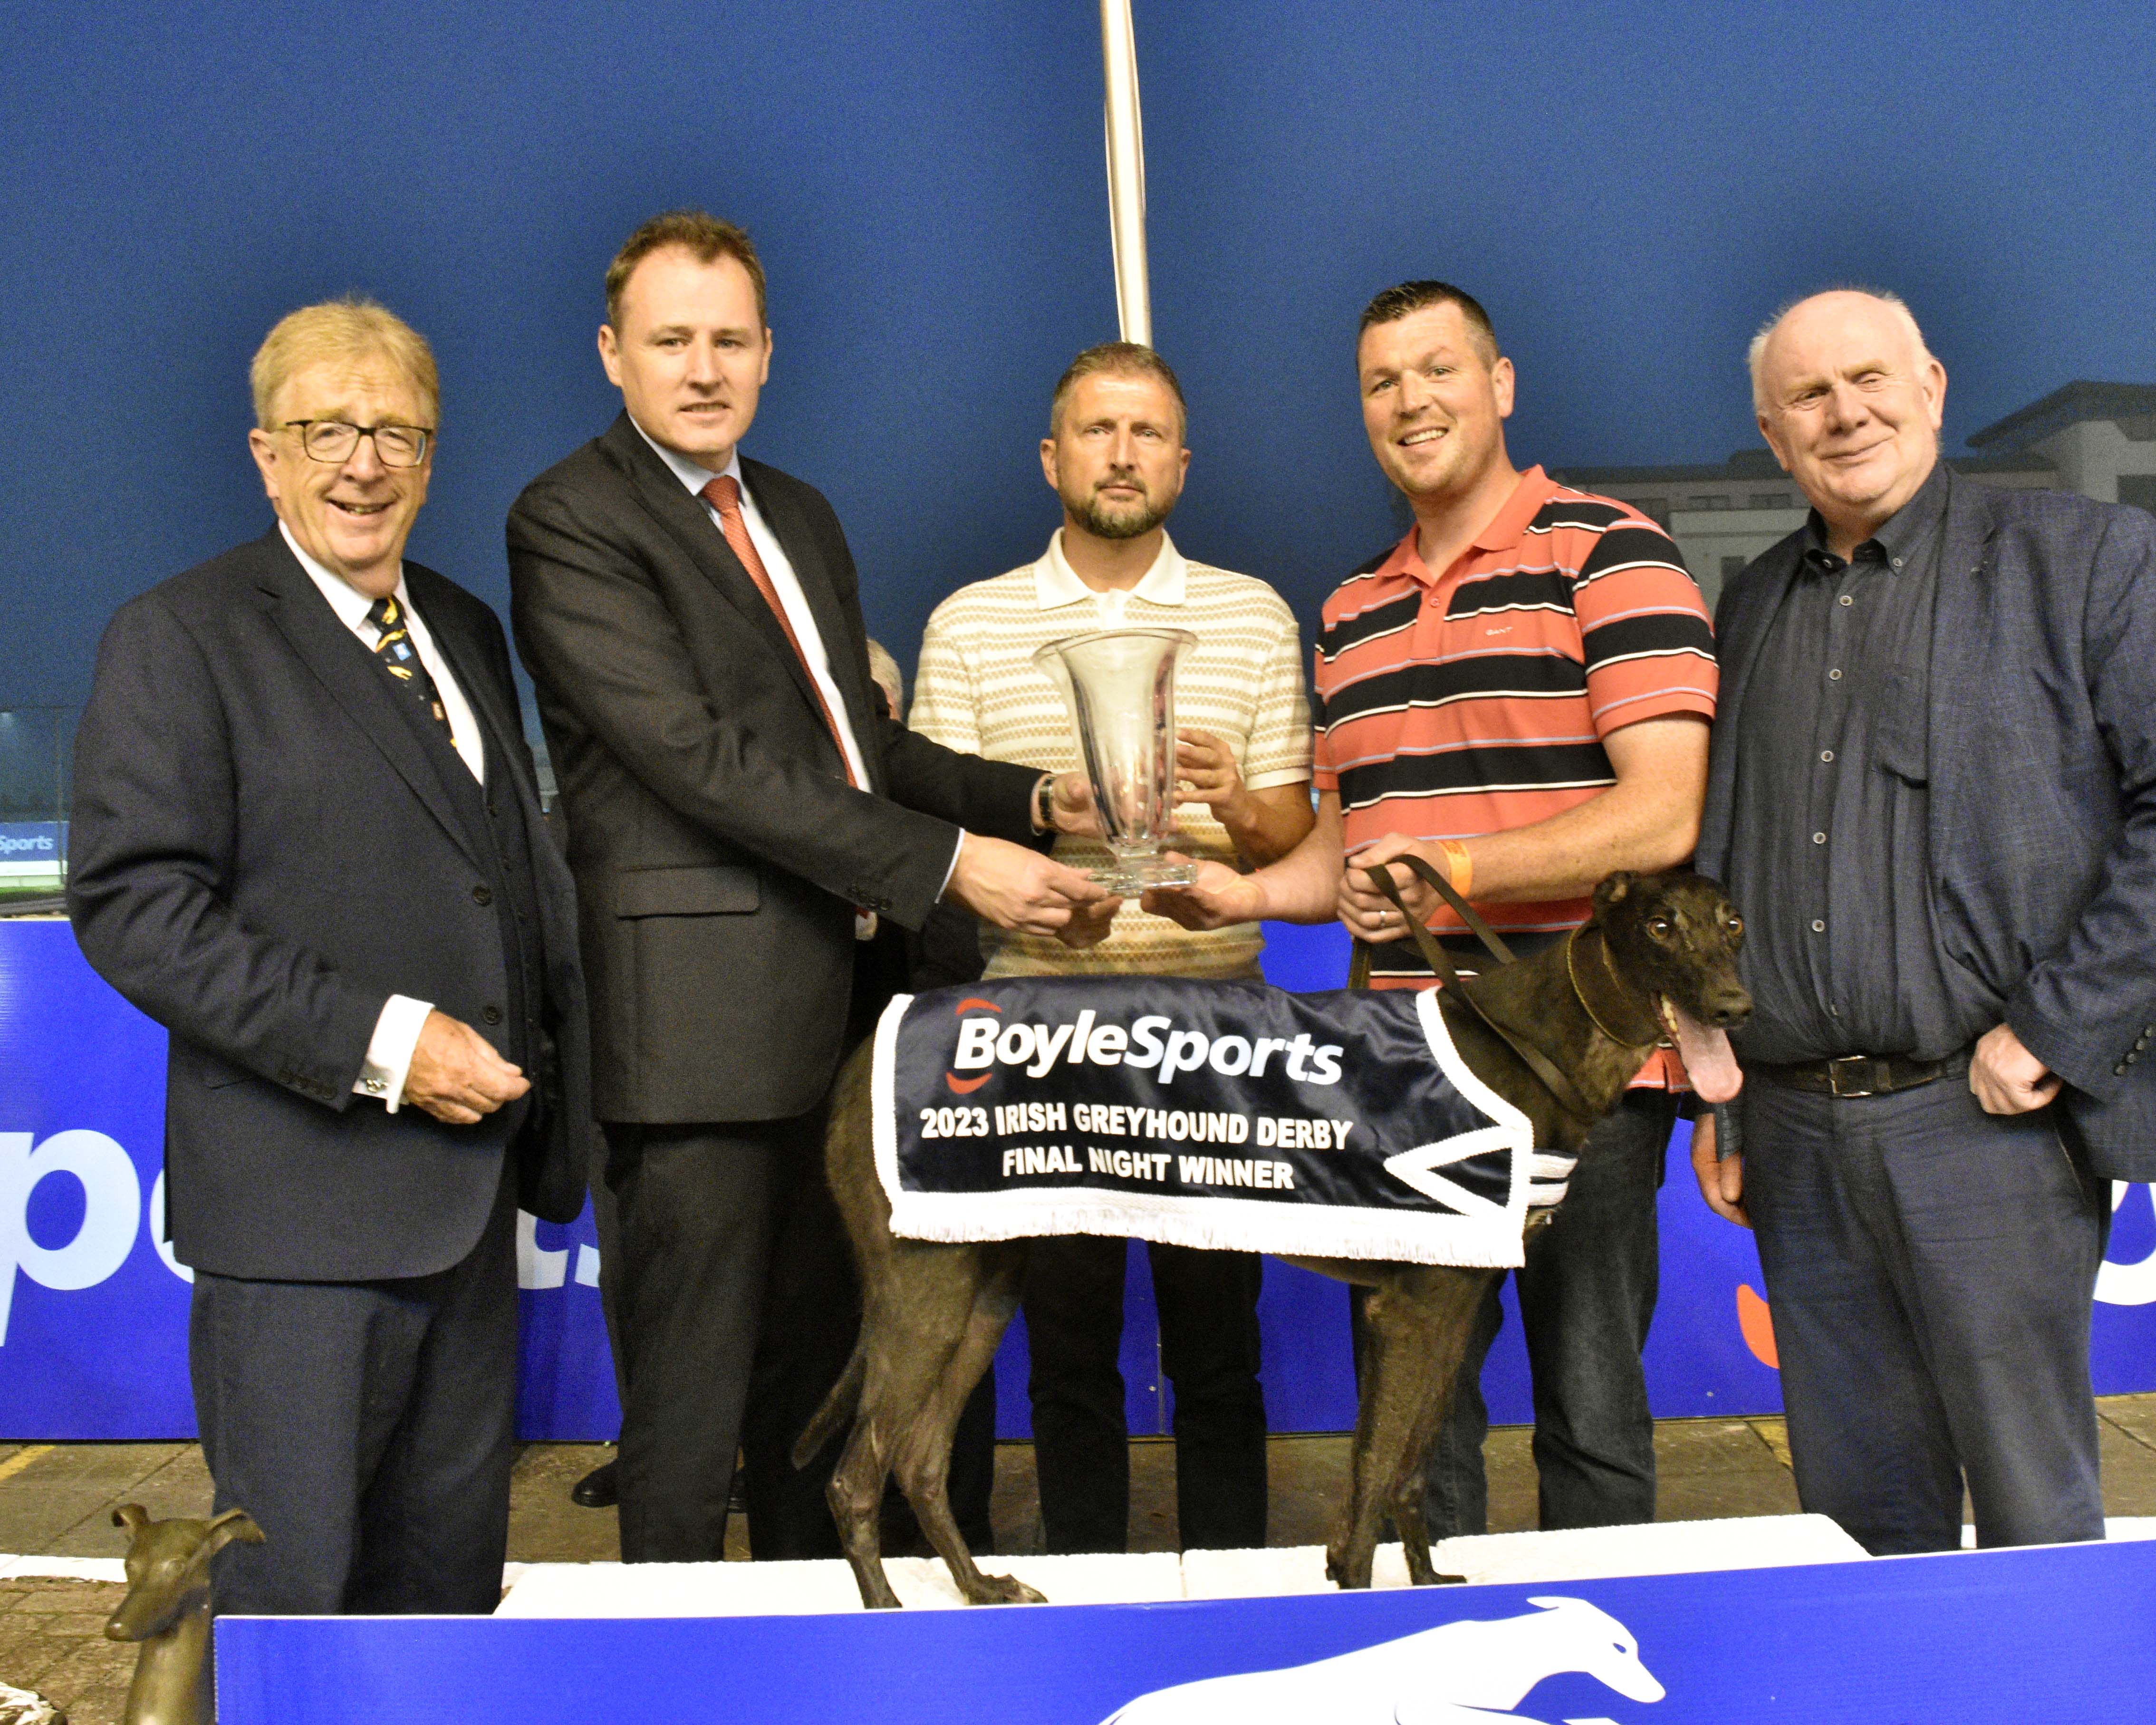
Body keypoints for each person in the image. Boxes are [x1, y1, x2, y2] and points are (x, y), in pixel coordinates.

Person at [506, 211, 1109, 1564]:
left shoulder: (802, 514)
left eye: (729, 339)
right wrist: (953, 865)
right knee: (688, 1404)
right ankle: (673, 1672)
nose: (703, 367)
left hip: (847, 1021)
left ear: (769, 353)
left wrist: (1026, 800)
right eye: (672, 340)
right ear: (615, 355)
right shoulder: (568, 518)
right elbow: (696, 760)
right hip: (697, 1040)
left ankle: (801, 1653)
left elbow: (858, 745)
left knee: (811, 1380)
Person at [1152, 281, 1716, 1540]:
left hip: (1582, 1068)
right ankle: (1426, 1636)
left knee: (1591, 1402)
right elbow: (1358, 844)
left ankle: (1595, 1634)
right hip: (1405, 1073)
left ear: (1500, 383)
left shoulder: (1609, 549)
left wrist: (1452, 866)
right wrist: (1243, 887)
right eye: (1381, 381)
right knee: (1416, 1405)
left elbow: (1662, 814)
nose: (1412, 400)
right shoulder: (1350, 613)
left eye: (1437, 369)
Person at [67, 299, 592, 1617]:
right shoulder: (178, 637)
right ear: (266, 452)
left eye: (397, 432)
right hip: (301, 1229)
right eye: (327, 429)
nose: (364, 461)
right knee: (293, 1606)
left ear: (432, 453)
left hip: (467, 1221)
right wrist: (386, 1041)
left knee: (445, 1598)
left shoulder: (465, 630)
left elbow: (496, 880)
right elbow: (136, 906)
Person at [1689, 287, 2156, 1554]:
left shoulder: (2085, 561)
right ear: (1772, 434)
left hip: (1986, 1127)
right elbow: (1727, 864)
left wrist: (2056, 1027)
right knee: (1855, 1526)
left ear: (1933, 385)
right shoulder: (1751, 609)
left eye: (1870, 378)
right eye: (1808, 396)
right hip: (1793, 1135)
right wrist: (1727, 1095)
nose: (1846, 413)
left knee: (2031, 1515)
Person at [909, 341, 1315, 1553]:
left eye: (1147, 434)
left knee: (1219, 1353)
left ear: (1183, 462)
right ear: (1053, 458)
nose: (1123, 454)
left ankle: (1233, 1597)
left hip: (1214, 1032)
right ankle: (1089, 1597)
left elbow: (1292, 831)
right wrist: (1038, 890)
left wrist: (1239, 806)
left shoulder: (1251, 615)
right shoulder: (970, 624)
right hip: (1043, 1029)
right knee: (1069, 1356)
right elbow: (940, 827)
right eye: (1098, 431)